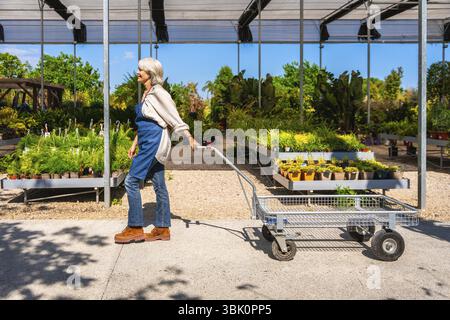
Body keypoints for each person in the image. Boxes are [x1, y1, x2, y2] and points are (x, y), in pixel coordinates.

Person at [114, 57, 198, 244]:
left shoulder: (159, 93)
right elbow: (146, 120)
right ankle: (162, 228)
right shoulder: (147, 94)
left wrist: (188, 137)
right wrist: (134, 143)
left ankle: (135, 227)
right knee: (159, 184)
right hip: (146, 140)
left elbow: (173, 116)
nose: (137, 72)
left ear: (150, 74)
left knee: (131, 181)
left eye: (140, 70)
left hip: (154, 141)